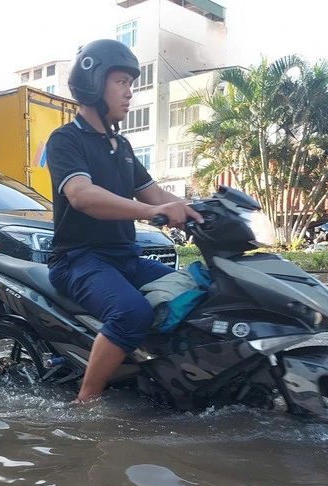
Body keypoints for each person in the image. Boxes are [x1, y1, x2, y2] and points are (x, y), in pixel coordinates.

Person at [45, 39, 203, 403]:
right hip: (78, 260)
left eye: (131, 84)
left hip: (124, 258)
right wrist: (151, 213)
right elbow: (82, 196)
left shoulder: (123, 147)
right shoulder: (65, 140)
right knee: (132, 313)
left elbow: (157, 196)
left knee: (196, 292)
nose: (130, 93)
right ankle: (85, 402)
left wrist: (200, 210)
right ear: (94, 84)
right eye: (121, 83)